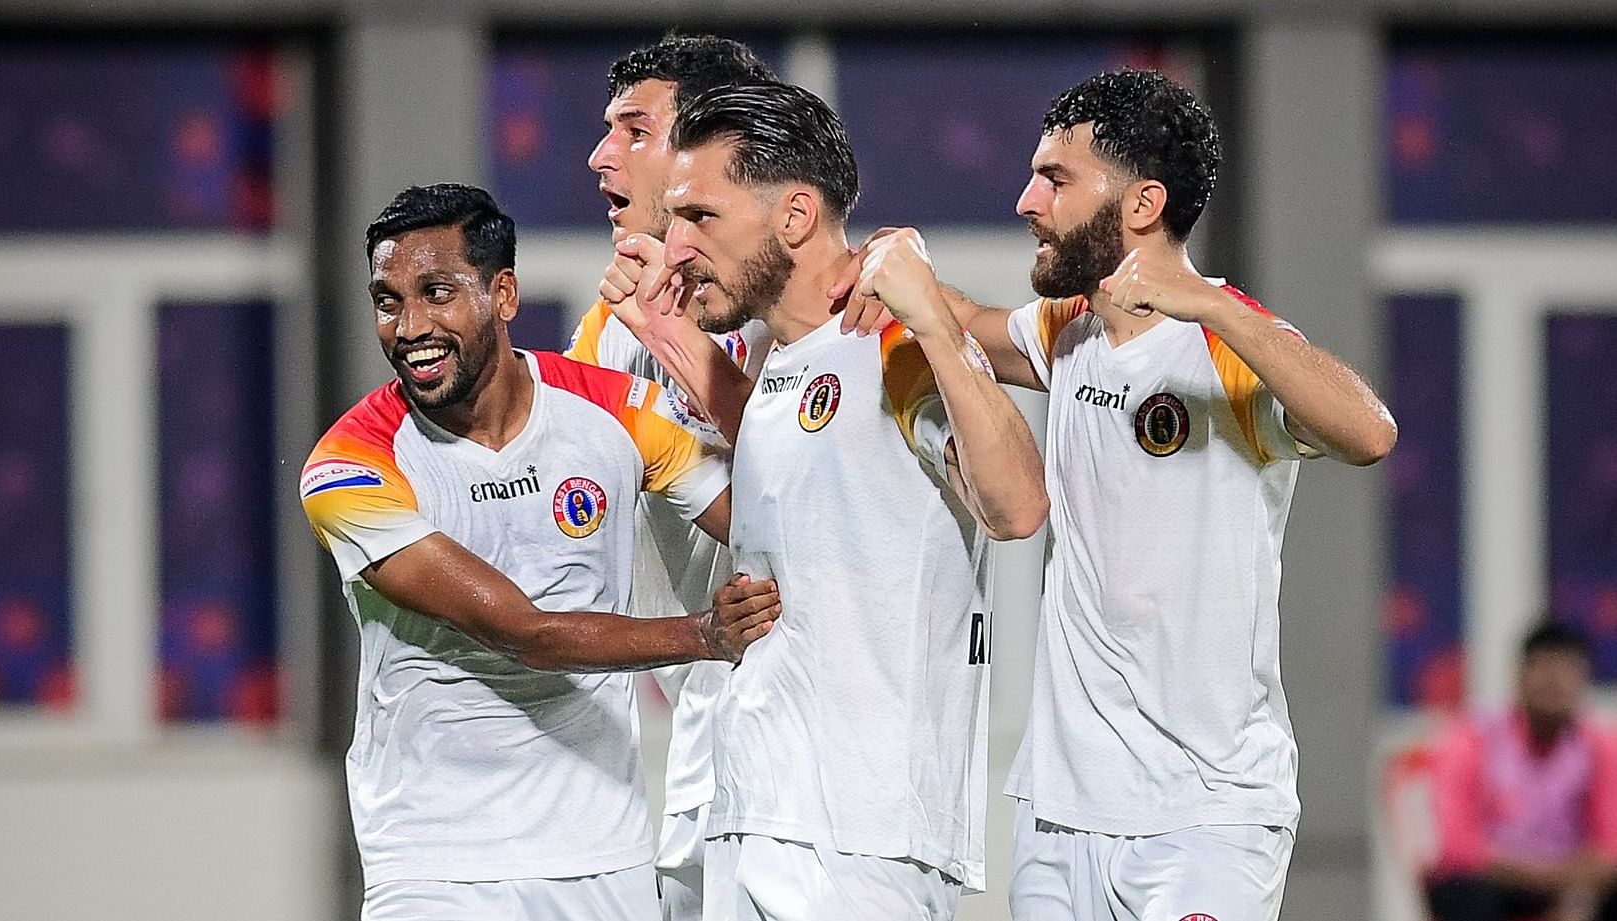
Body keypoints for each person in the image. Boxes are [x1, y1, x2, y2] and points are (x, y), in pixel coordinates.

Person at [831, 68, 1398, 920]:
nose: (1026, 200)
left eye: (1055, 179)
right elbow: (967, 326)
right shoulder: (1072, 328)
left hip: (1205, 816)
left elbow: (1371, 431)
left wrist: (1211, 304)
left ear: (1141, 204)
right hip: (1060, 809)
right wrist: (883, 263)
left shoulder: (1224, 345)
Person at [601, 81, 1049, 921]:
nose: (678, 240)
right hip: (756, 814)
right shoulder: (789, 355)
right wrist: (664, 333)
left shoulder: (897, 342)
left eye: (701, 217)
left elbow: (1019, 505)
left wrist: (941, 329)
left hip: (857, 840)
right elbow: (804, 457)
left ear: (795, 216)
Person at [299, 183, 779, 921]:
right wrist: (703, 635)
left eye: (436, 292)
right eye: (388, 300)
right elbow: (523, 631)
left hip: (602, 855)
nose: (409, 326)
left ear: (503, 294)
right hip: (434, 863)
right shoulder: (351, 464)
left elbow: (765, 522)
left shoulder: (613, 410)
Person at [571, 35, 778, 920]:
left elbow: (812, 493)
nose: (599, 156)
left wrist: (666, 331)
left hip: (836, 768)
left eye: (633, 129)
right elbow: (556, 467)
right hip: (706, 746)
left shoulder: (821, 299)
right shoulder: (615, 324)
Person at [1426, 621, 1617, 921]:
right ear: (1519, 674)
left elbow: (1609, 847)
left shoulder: (1600, 748)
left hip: (1571, 882)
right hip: (1496, 881)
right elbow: (1458, 846)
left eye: (1567, 670)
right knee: (1458, 892)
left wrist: (1576, 892)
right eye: (1542, 668)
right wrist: (1544, 877)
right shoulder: (1471, 741)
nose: (1554, 682)